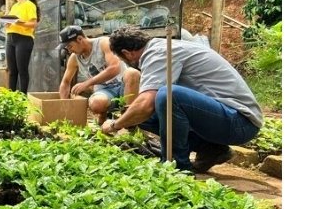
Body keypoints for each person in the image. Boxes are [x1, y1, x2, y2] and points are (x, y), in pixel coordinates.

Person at [101, 26, 263, 173]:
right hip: (225, 118)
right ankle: (211, 149)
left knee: (167, 95)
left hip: (240, 122)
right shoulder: (161, 48)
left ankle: (176, 166)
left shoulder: (158, 53)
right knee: (140, 115)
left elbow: (146, 104)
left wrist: (115, 125)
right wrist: (128, 118)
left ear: (127, 53)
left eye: (124, 60)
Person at [56, 25, 140, 124]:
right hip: (105, 90)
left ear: (79, 39)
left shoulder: (103, 43)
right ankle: (103, 115)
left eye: (70, 46)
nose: (69, 50)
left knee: (132, 73)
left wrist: (87, 83)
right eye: (67, 48)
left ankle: (128, 120)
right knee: (96, 104)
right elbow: (65, 82)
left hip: (124, 85)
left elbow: (114, 68)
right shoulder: (74, 58)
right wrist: (64, 104)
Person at [3, 0, 39, 93]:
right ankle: (11, 97)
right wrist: (7, 22)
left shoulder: (29, 5)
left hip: (24, 39)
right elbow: (11, 22)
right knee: (12, 71)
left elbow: (33, 24)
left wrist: (18, 22)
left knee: (22, 70)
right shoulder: (14, 6)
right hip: (10, 38)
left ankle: (23, 97)